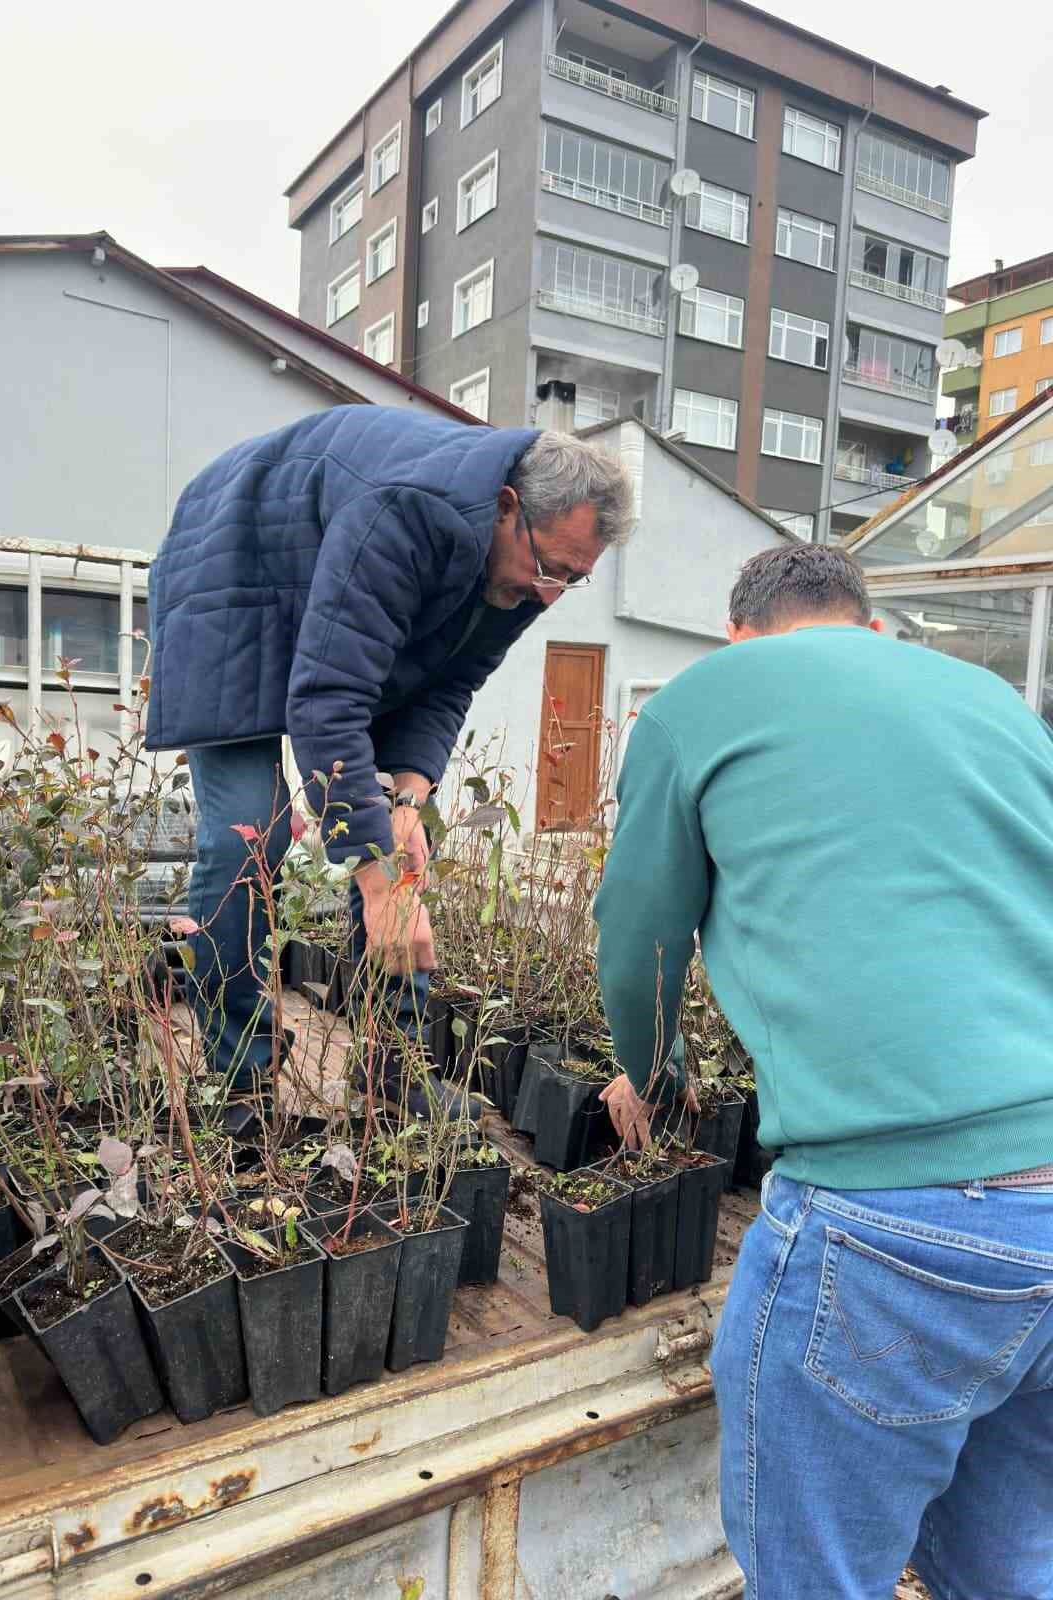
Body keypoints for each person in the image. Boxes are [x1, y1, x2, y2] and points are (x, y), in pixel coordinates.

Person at [593, 544, 1053, 1599]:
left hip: (900, 1226)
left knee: (817, 1579)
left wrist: (647, 1075)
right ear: (870, 625)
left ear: (738, 635)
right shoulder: (991, 698)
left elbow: (639, 942)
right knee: (1012, 1568)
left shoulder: (708, 696)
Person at [146, 404, 633, 1111]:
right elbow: (327, 700)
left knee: (401, 838)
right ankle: (240, 1070)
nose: (550, 593)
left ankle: (391, 1070)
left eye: (573, 578)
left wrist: (407, 799)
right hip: (232, 571)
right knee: (250, 832)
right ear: (506, 508)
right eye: (551, 568)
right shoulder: (409, 512)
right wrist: (384, 890)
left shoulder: (526, 566)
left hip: (335, 570)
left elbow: (451, 681)